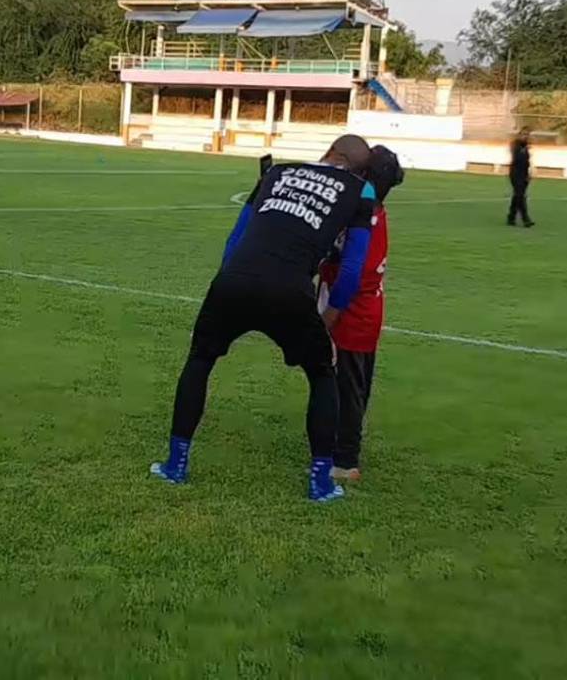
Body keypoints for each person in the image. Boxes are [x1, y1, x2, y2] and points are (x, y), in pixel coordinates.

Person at [150, 136, 378, 503]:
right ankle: (320, 482)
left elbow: (236, 238)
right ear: (358, 167)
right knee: (322, 374)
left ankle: (176, 465)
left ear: (329, 152)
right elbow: (352, 267)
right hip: (291, 289)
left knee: (200, 359)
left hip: (235, 279)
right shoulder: (362, 190)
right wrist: (330, 317)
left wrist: (221, 295)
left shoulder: (277, 172)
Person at [318, 146, 404, 483]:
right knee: (345, 384)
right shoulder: (366, 212)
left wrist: (328, 318)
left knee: (350, 387)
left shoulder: (367, 220)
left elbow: (354, 277)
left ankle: (346, 459)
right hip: (354, 313)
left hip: (353, 318)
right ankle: (334, 443)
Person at [508, 128, 535, 228]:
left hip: (523, 174)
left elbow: (526, 163)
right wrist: (524, 148)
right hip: (515, 174)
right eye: (524, 134)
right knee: (520, 196)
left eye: (527, 134)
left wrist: (528, 174)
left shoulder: (526, 147)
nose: (526, 136)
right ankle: (526, 219)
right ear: (519, 135)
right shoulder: (515, 145)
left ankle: (511, 217)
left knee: (517, 196)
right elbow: (516, 158)